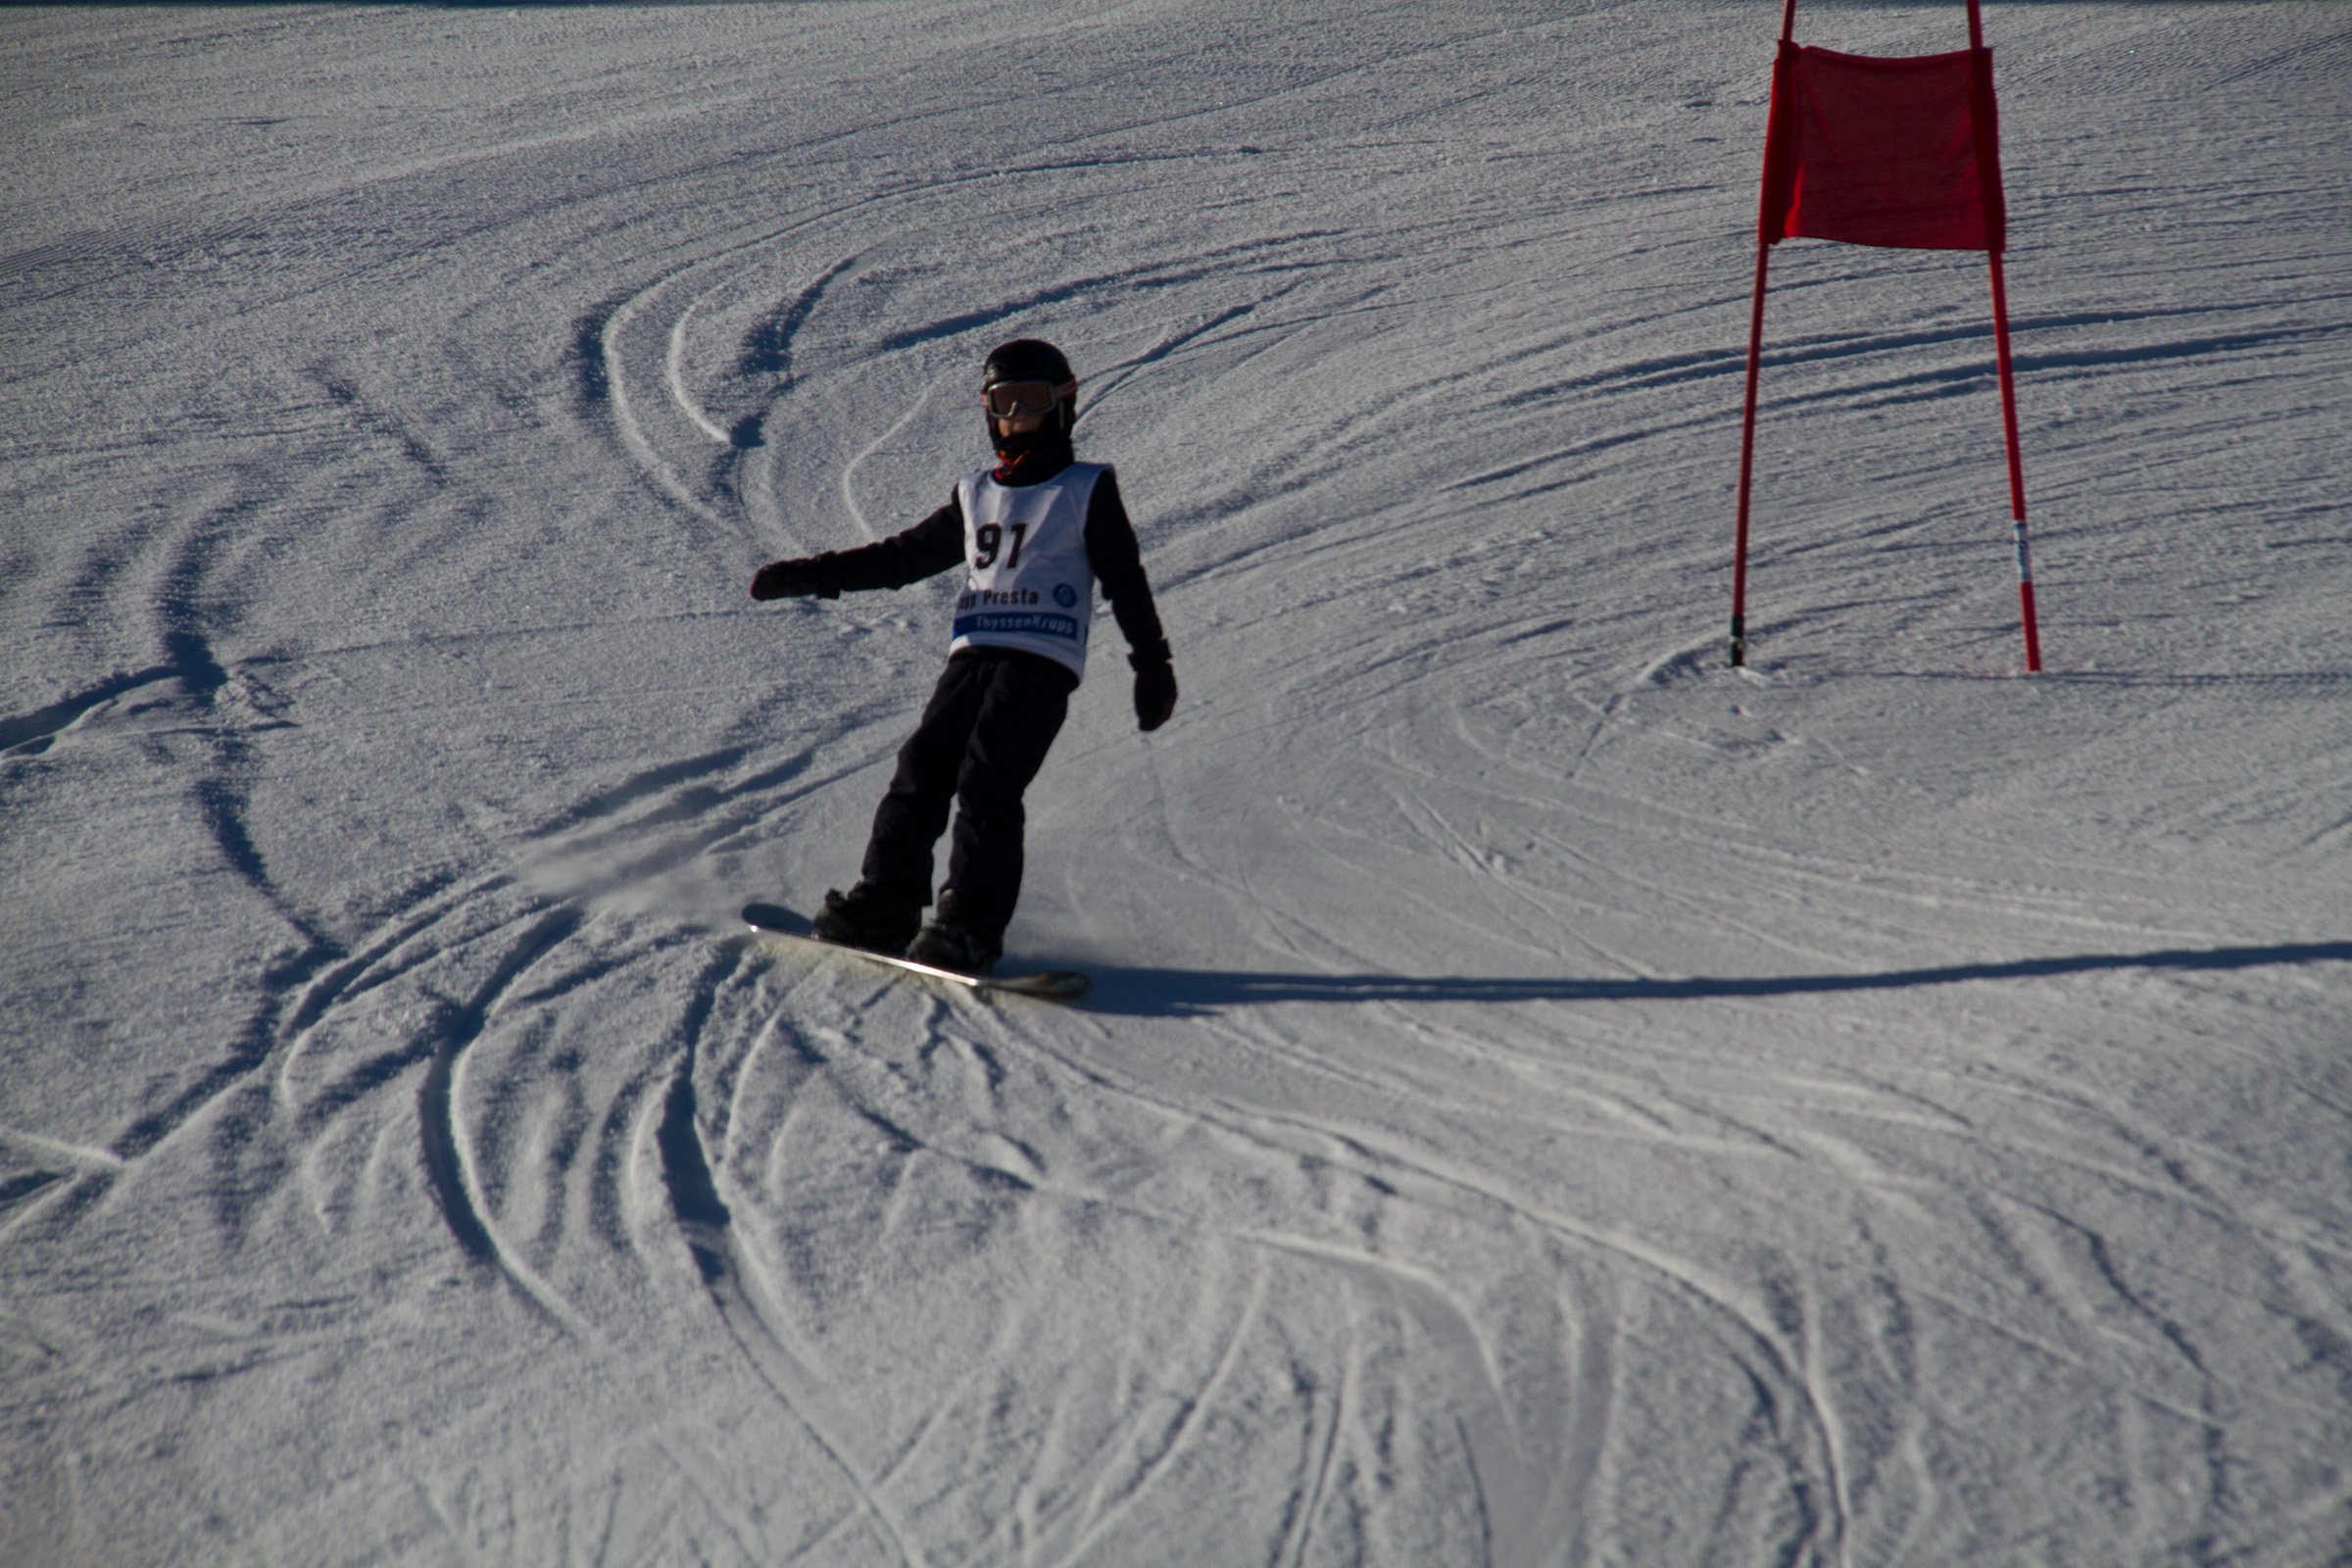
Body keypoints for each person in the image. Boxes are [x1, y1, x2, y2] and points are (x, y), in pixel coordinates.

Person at [749, 338, 1177, 974]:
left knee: (988, 779)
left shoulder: (1086, 488)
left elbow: (1124, 578)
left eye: (1031, 401)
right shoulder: (977, 493)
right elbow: (902, 558)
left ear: (1063, 405)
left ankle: (970, 926)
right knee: (921, 768)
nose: (1017, 417)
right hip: (972, 656)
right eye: (1004, 403)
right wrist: (813, 575)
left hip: (1039, 660)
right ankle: (886, 905)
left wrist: (1152, 663)